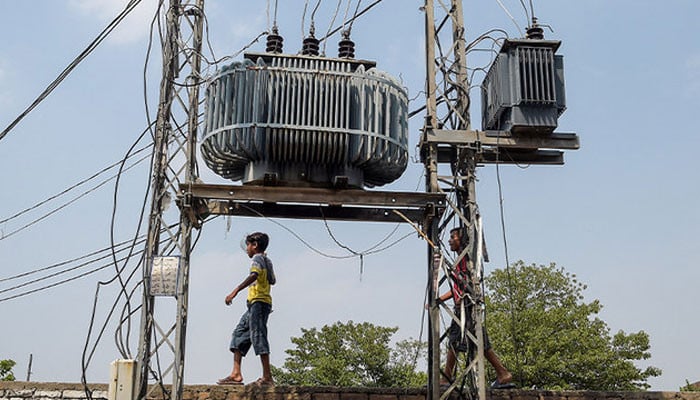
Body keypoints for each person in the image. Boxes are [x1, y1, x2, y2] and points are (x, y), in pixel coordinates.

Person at [437, 227, 514, 389]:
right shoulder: (461, 260)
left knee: (455, 340)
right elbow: (457, 287)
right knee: (480, 342)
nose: (449, 241)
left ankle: (447, 377)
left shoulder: (466, 260)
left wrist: (447, 269)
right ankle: (502, 373)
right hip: (466, 305)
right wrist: (440, 299)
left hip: (467, 306)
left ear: (462, 240)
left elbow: (467, 284)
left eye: (453, 237)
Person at [217, 232, 277, 386]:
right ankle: (236, 374)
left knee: (258, 335)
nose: (247, 249)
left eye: (248, 245)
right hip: (254, 304)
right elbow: (272, 280)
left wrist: (235, 291)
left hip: (259, 303)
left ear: (255, 245)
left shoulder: (257, 259)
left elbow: (254, 275)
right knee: (239, 333)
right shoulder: (266, 260)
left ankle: (267, 376)